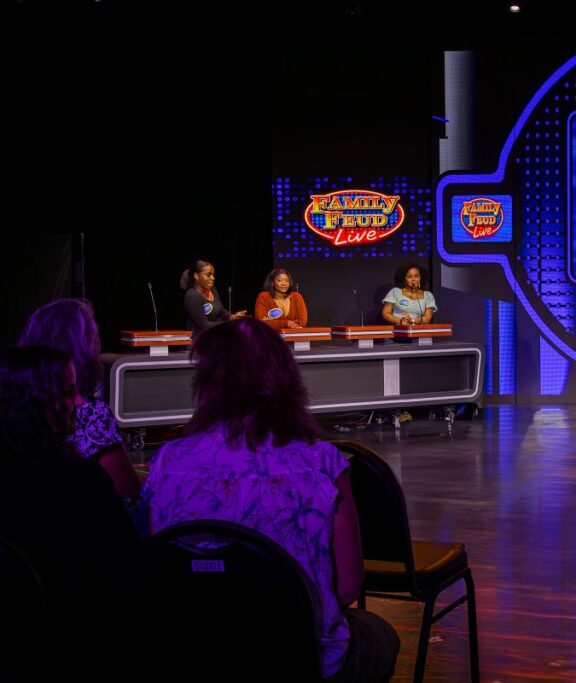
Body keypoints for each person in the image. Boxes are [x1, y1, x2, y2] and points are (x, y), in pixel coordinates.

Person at [141, 319, 399, 682]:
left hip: (191, 654)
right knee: (380, 635)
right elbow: (347, 588)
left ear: (208, 384)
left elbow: (161, 570)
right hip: (297, 658)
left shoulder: (167, 461)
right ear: (283, 378)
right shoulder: (321, 461)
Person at [0, 346, 141, 681]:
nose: (79, 403)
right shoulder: (79, 480)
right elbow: (125, 571)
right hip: (70, 649)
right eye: (66, 393)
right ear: (29, 403)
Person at [18, 298, 141, 500]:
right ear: (81, 344)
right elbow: (128, 492)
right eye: (94, 333)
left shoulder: (15, 404)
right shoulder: (91, 414)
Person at [181, 259, 247, 333]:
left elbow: (220, 310)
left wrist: (232, 317)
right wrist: (228, 324)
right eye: (208, 274)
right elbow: (204, 325)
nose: (213, 278)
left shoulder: (212, 289)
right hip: (201, 339)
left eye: (213, 275)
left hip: (216, 334)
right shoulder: (193, 296)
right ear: (196, 276)